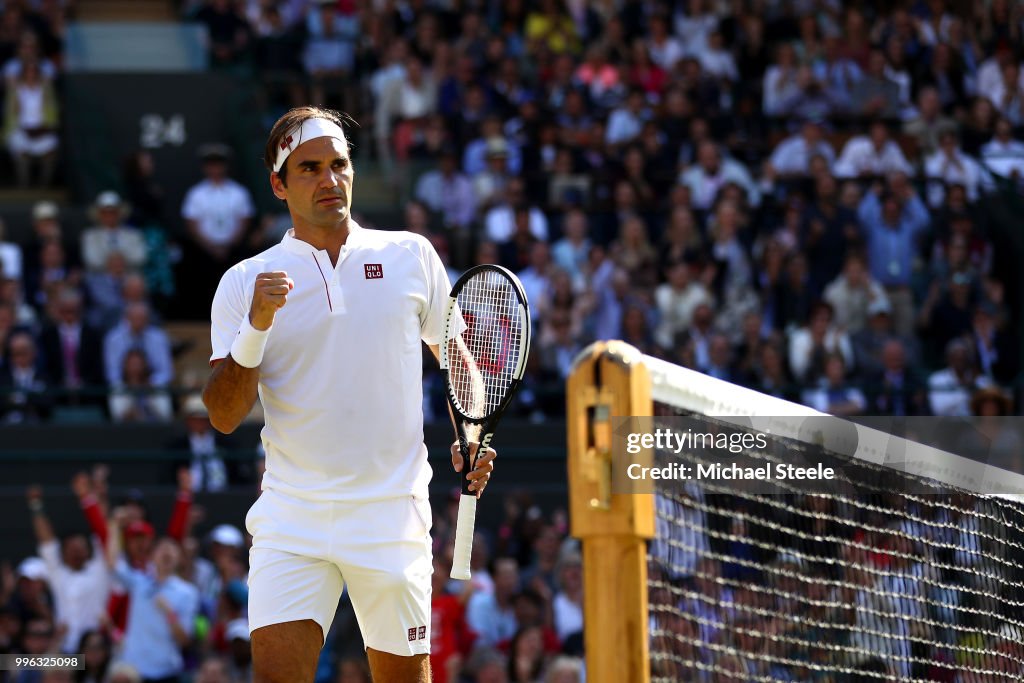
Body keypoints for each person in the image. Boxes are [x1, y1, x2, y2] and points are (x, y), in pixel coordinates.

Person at [201, 106, 496, 683]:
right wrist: (257, 325)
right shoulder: (242, 283)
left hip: (392, 517)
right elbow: (223, 415)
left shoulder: (412, 255)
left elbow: (460, 364)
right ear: (279, 184)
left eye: (339, 164)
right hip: (292, 520)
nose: (330, 181)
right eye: (309, 168)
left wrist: (474, 433)